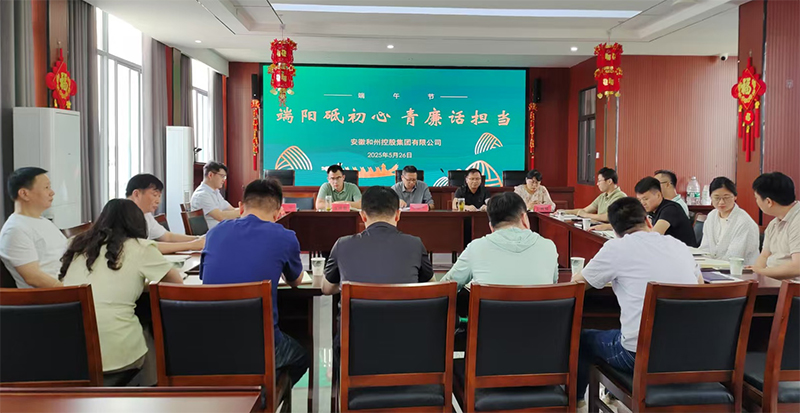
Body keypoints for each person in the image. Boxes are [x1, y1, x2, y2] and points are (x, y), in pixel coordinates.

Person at [571, 197, 702, 407]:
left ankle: (577, 404)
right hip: (692, 354)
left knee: (583, 338)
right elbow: (700, 287)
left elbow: (577, 284)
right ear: (648, 221)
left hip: (640, 357)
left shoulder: (616, 247)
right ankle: (612, 394)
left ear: (615, 231)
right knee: (624, 331)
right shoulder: (678, 245)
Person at [60, 199, 184, 386]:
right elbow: (175, 283)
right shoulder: (141, 247)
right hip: (116, 356)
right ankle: (152, 389)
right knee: (149, 326)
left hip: (71, 352)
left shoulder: (75, 244)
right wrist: (142, 284)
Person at [200, 178, 308, 385]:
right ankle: (263, 395)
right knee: (300, 357)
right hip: (260, 344)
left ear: (241, 207)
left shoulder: (214, 233)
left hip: (210, 343)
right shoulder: (285, 237)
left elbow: (205, 277)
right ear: (278, 212)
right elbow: (296, 281)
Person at [322, 186, 433, 294]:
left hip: (358, 307)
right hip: (404, 307)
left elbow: (326, 288)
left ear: (363, 216)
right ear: (398, 215)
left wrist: (345, 286)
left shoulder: (342, 244)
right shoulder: (415, 244)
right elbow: (431, 286)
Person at [442, 192, 558, 291]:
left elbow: (444, 288)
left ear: (491, 227)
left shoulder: (476, 248)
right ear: (524, 218)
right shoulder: (548, 246)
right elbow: (553, 285)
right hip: (540, 311)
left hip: (489, 312)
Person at [0, 167, 67, 288]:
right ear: (24, 194)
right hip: (52, 295)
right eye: (46, 187)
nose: (52, 192)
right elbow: (33, 277)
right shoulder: (15, 230)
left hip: (70, 284)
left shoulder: (43, 221)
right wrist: (71, 291)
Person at [126, 174, 205, 254]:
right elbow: (145, 247)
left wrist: (198, 239)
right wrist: (191, 245)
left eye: (159, 196)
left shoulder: (146, 215)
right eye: (155, 195)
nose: (158, 201)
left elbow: (167, 237)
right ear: (136, 194)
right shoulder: (123, 215)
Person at [699, 177, 759, 264]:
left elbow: (734, 257)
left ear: (735, 196)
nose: (721, 202)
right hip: (713, 267)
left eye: (726, 197)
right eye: (717, 198)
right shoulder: (712, 216)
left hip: (739, 269)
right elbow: (705, 248)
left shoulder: (744, 222)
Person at [751, 172, 800, 280]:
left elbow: (797, 267)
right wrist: (756, 271)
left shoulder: (797, 221)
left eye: (757, 198)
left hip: (792, 287)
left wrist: (761, 272)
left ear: (768, 202)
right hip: (772, 282)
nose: (757, 202)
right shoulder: (773, 223)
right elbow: (764, 255)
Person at [634, 177, 697, 247]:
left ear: (658, 195)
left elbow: (653, 237)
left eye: (645, 199)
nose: (643, 203)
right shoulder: (651, 211)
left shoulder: (670, 209)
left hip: (686, 251)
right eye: (639, 200)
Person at [561, 167, 626, 222]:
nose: (597, 184)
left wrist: (586, 215)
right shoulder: (602, 196)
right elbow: (584, 210)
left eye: (599, 181)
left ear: (609, 181)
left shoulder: (620, 197)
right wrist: (564, 212)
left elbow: (608, 217)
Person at [191, 161, 239, 230]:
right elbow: (220, 216)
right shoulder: (202, 195)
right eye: (222, 176)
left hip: (221, 230)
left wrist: (247, 209)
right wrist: (243, 211)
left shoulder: (215, 192)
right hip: (212, 234)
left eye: (224, 177)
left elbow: (231, 209)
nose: (224, 180)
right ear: (210, 175)